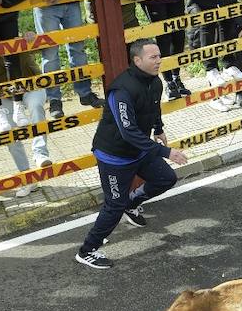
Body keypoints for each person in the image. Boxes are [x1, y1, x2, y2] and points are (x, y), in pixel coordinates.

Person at [74, 39, 189, 270]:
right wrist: (166, 152)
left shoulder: (155, 82)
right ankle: (87, 250)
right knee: (114, 205)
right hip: (114, 156)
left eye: (159, 56)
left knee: (166, 178)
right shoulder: (121, 90)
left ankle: (132, 204)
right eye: (153, 57)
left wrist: (159, 129)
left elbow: (154, 106)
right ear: (137, 60)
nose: (159, 60)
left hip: (139, 150)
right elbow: (128, 131)